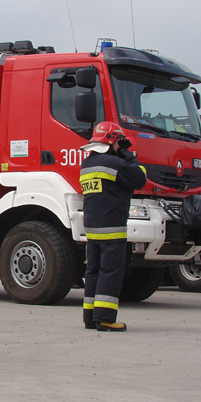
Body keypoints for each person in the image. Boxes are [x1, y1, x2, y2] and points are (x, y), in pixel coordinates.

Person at [79, 122, 147, 332]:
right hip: (112, 227)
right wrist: (128, 154)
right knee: (110, 271)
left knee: (93, 271)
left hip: (92, 227)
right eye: (119, 141)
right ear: (113, 141)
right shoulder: (115, 163)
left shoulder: (87, 164)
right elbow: (140, 178)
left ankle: (90, 317)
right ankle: (106, 318)